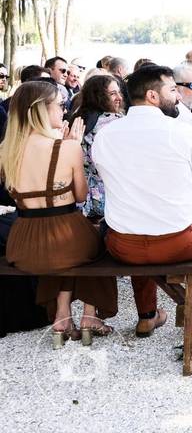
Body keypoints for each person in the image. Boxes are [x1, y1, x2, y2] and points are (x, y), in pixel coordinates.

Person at [94, 65, 192, 337]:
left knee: (137, 221)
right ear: (152, 96)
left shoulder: (105, 134)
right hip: (179, 242)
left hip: (123, 245)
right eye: (171, 90)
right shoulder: (180, 131)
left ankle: (147, 315)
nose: (177, 97)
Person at [3, 82, 118, 343]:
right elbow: (80, 195)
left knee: (66, 254)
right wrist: (71, 147)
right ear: (42, 110)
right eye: (60, 105)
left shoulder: (7, 150)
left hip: (23, 244)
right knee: (100, 244)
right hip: (65, 234)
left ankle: (62, 315)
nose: (64, 110)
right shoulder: (68, 148)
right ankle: (89, 314)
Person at [68, 75, 126, 219]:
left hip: (79, 197)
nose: (119, 97)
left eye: (119, 92)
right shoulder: (115, 122)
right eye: (112, 94)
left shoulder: (78, 116)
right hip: (109, 197)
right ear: (98, 96)